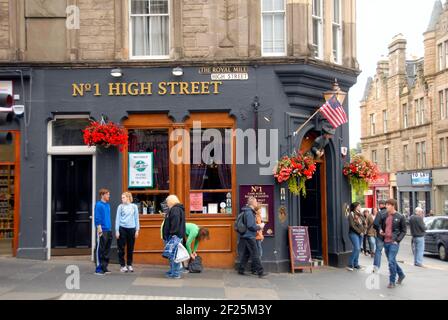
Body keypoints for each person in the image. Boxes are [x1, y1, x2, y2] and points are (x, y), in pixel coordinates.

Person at [378, 199, 407, 289]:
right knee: (392, 261)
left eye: (388, 205)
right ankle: (401, 274)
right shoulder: (384, 216)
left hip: (394, 242)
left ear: (393, 205)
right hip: (386, 241)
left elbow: (404, 231)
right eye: (386, 205)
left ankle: (392, 281)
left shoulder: (400, 216)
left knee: (391, 261)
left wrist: (397, 240)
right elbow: (379, 225)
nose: (386, 206)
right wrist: (380, 230)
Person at [237, 197, 268, 278]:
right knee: (255, 253)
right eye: (256, 202)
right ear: (253, 203)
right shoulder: (249, 212)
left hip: (247, 235)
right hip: (249, 236)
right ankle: (260, 272)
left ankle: (241, 269)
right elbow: (251, 226)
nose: (257, 203)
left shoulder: (247, 211)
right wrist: (260, 226)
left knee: (246, 254)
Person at [162, 195, 186, 279]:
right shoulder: (177, 209)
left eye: (167, 201)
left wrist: (172, 234)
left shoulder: (175, 209)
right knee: (172, 255)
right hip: (175, 235)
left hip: (173, 236)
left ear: (171, 201)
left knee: (174, 255)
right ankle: (173, 271)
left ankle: (175, 273)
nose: (167, 203)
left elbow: (175, 223)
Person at [115, 192, 140, 273]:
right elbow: (117, 219)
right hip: (122, 228)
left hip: (132, 229)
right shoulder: (120, 207)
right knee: (121, 248)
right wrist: (117, 230)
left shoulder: (134, 206)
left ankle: (129, 264)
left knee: (130, 248)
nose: (122, 199)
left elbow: (136, 218)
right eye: (122, 197)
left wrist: (137, 230)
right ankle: (122, 265)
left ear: (128, 198)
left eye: (123, 197)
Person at [94, 188, 112, 276]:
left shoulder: (107, 205)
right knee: (100, 249)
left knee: (106, 250)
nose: (109, 196)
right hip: (102, 230)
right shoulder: (98, 205)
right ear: (102, 195)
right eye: (107, 194)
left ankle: (104, 267)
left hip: (108, 229)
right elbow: (97, 217)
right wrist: (99, 228)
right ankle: (98, 268)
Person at [347, 202, 365, 271]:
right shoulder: (351, 214)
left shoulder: (360, 214)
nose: (360, 206)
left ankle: (356, 264)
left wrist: (364, 231)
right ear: (355, 207)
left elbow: (364, 222)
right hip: (353, 233)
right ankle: (350, 264)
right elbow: (352, 225)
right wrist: (359, 232)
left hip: (361, 234)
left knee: (358, 249)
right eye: (359, 205)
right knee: (356, 248)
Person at [373, 200, 387, 271]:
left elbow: (375, 224)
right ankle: (392, 268)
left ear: (381, 205)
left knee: (378, 251)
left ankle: (376, 267)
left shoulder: (380, 213)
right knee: (389, 252)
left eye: (379, 204)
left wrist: (379, 229)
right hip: (389, 235)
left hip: (380, 235)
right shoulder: (390, 213)